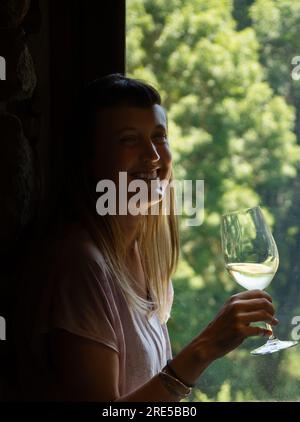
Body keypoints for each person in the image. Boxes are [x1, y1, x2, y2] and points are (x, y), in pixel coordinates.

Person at [13, 74, 278, 402]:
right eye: (129, 140)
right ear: (89, 160)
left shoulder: (142, 258)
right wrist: (203, 349)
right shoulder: (80, 264)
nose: (153, 155)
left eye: (159, 136)